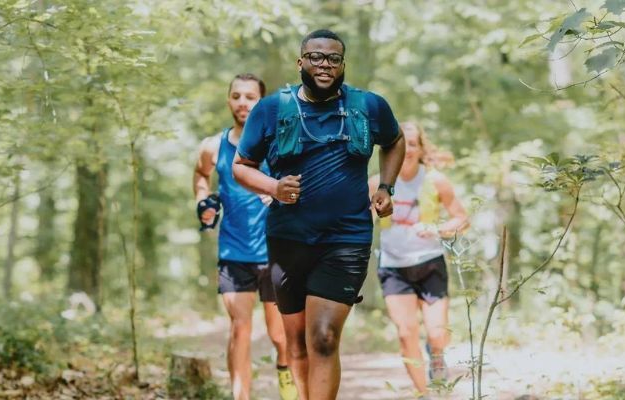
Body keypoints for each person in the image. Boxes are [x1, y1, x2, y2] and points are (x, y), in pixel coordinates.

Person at [232, 29, 406, 400]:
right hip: (288, 238)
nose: (324, 64)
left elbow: (394, 140)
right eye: (315, 57)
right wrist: (273, 187)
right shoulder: (271, 108)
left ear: (342, 64)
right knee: (296, 344)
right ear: (300, 62)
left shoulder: (369, 106)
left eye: (333, 58)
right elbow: (241, 166)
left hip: (347, 239)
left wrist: (386, 187)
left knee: (324, 337)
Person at [192, 73, 298, 400]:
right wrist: (203, 203)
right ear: (228, 100)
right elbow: (201, 176)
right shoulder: (213, 146)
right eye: (236, 96)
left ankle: (286, 378)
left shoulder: (278, 145)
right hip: (234, 252)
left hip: (276, 250)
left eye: (250, 97)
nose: (242, 103)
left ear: (261, 102)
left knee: (280, 336)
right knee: (240, 328)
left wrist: (280, 194)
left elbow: (299, 182)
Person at [368, 121, 468, 398]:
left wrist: (438, 229)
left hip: (430, 263)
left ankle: (436, 354)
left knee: (437, 334)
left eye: (413, 144)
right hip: (393, 266)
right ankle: (424, 393)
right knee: (405, 333)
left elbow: (462, 218)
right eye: (402, 143)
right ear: (391, 146)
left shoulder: (435, 180)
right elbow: (355, 217)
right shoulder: (378, 182)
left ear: (421, 148)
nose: (407, 149)